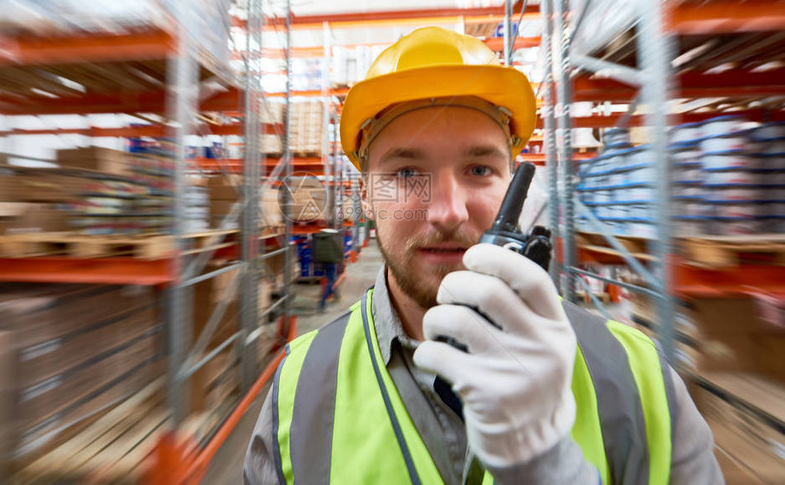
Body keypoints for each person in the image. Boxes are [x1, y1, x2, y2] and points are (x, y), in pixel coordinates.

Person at [244, 27, 723, 484]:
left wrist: (548, 468)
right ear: (366, 196)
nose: (448, 212)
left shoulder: (638, 379)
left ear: (513, 183)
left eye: (478, 168)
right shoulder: (298, 389)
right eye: (408, 173)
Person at [311, 228, 344, 311]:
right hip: (331, 262)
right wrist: (341, 259)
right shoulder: (332, 239)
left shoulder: (318, 238)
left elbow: (314, 251)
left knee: (331, 279)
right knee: (331, 281)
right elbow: (337, 250)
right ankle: (322, 303)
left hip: (322, 262)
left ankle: (336, 296)